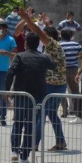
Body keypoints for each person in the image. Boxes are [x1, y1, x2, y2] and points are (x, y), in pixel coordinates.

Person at [18, 8, 67, 151]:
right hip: (59, 85)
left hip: (52, 86)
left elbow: (38, 32)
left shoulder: (52, 45)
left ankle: (34, 144)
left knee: (41, 115)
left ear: (49, 37)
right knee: (51, 114)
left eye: (44, 36)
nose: (41, 38)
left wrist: (28, 19)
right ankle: (60, 142)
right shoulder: (55, 47)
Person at [5, 32, 56, 163]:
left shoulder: (20, 57)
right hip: (38, 96)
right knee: (30, 126)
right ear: (38, 44)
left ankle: (15, 151)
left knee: (18, 123)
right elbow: (54, 65)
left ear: (26, 43)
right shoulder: (43, 57)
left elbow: (11, 72)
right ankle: (24, 156)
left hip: (21, 96)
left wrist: (6, 90)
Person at [59, 29, 82, 117]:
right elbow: (81, 55)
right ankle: (77, 110)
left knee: (61, 90)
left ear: (61, 36)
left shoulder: (59, 45)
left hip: (62, 70)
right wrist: (75, 56)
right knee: (75, 90)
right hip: (73, 69)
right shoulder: (76, 44)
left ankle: (65, 110)